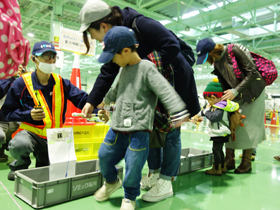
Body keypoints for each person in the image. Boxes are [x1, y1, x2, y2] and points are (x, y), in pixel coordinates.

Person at [79, 0, 200, 202]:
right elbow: (108, 71)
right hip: (148, 84)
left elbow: (171, 45)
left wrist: (141, 68)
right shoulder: (117, 41)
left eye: (92, 34)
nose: (93, 38)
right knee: (149, 127)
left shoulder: (139, 23)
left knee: (171, 132)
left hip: (173, 80)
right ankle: (154, 172)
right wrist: (92, 101)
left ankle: (166, 180)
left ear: (103, 26)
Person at [93, 26, 189, 210]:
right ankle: (111, 182)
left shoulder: (147, 68)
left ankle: (129, 198)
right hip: (117, 127)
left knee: (133, 166)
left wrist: (178, 111)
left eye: (114, 55)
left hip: (139, 130)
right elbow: (113, 90)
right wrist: (103, 104)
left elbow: (164, 90)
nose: (112, 60)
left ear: (126, 51)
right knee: (104, 155)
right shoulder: (123, 70)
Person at [1, 41, 105, 181]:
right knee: (19, 145)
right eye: (46, 56)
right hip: (31, 133)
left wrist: (98, 110)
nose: (51, 60)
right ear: (34, 59)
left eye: (53, 57)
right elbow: (6, 112)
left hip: (55, 136)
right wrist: (28, 115)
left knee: (51, 172)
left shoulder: (61, 82)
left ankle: (43, 164)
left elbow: (83, 99)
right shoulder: (22, 83)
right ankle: (20, 167)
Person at [196, 38, 266, 174]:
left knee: (249, 124)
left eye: (207, 57)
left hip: (253, 92)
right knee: (230, 121)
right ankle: (229, 160)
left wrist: (235, 91)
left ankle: (246, 162)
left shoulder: (234, 50)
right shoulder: (217, 64)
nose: (207, 61)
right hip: (235, 94)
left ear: (212, 52)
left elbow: (252, 73)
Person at [197, 79, 239, 175]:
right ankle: (222, 167)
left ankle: (216, 169)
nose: (208, 102)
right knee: (219, 150)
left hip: (219, 132)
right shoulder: (219, 105)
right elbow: (206, 113)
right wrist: (199, 115)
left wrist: (206, 111)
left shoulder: (220, 107)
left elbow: (213, 117)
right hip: (221, 132)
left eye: (208, 100)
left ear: (213, 97)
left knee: (216, 150)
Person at [0, 66, 25, 162]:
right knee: (0, 136)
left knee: (25, 130)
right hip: (1, 120)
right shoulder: (4, 79)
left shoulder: (18, 81)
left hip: (10, 119)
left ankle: (5, 145)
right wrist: (9, 76)